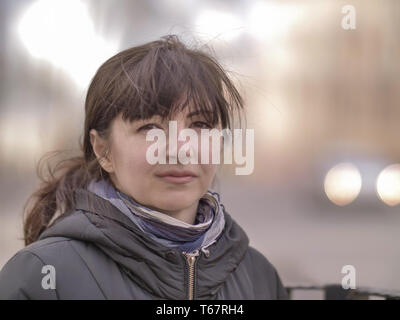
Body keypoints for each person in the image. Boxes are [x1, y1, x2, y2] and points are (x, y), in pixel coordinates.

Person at [0, 35, 288, 300]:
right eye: (149, 127)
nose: (179, 150)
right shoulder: (41, 276)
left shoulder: (258, 277)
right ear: (103, 150)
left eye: (200, 125)